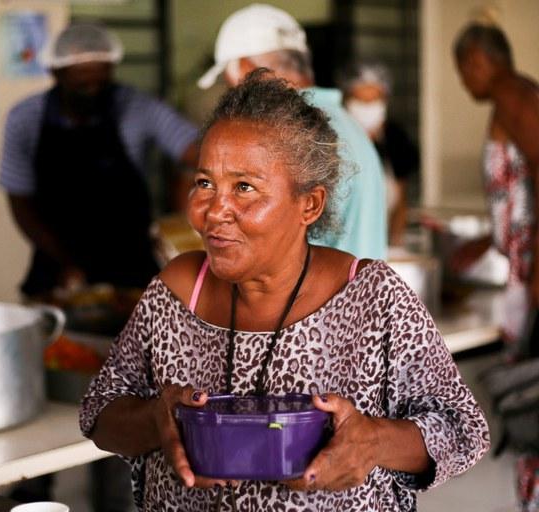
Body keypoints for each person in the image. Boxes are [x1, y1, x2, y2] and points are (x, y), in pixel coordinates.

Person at [80, 72, 489, 510]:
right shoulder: (178, 293)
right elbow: (99, 411)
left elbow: (463, 429)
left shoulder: (373, 299)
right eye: (204, 183)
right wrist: (155, 419)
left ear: (309, 204)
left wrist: (374, 441)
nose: (214, 211)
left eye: (244, 187)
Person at [0, 23, 199, 297]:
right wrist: (66, 263)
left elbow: (195, 149)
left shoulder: (138, 107)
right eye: (82, 85)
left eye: (101, 83)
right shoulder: (25, 119)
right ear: (56, 74)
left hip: (131, 262)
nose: (93, 91)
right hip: (56, 263)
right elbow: (20, 202)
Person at [197, 3, 387, 260]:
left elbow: (281, 262)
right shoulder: (348, 125)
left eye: (231, 86)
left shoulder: (290, 134)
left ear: (245, 69)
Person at [453, 22, 539, 352]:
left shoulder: (511, 95)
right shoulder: (516, 94)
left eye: (462, 71)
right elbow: (520, 188)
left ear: (477, 61)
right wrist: (492, 238)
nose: (463, 83)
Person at [338, 61, 419, 247]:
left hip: (381, 242)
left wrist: (395, 244)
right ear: (346, 100)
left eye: (374, 100)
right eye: (360, 100)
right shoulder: (334, 138)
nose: (367, 108)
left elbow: (401, 201)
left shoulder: (395, 139)